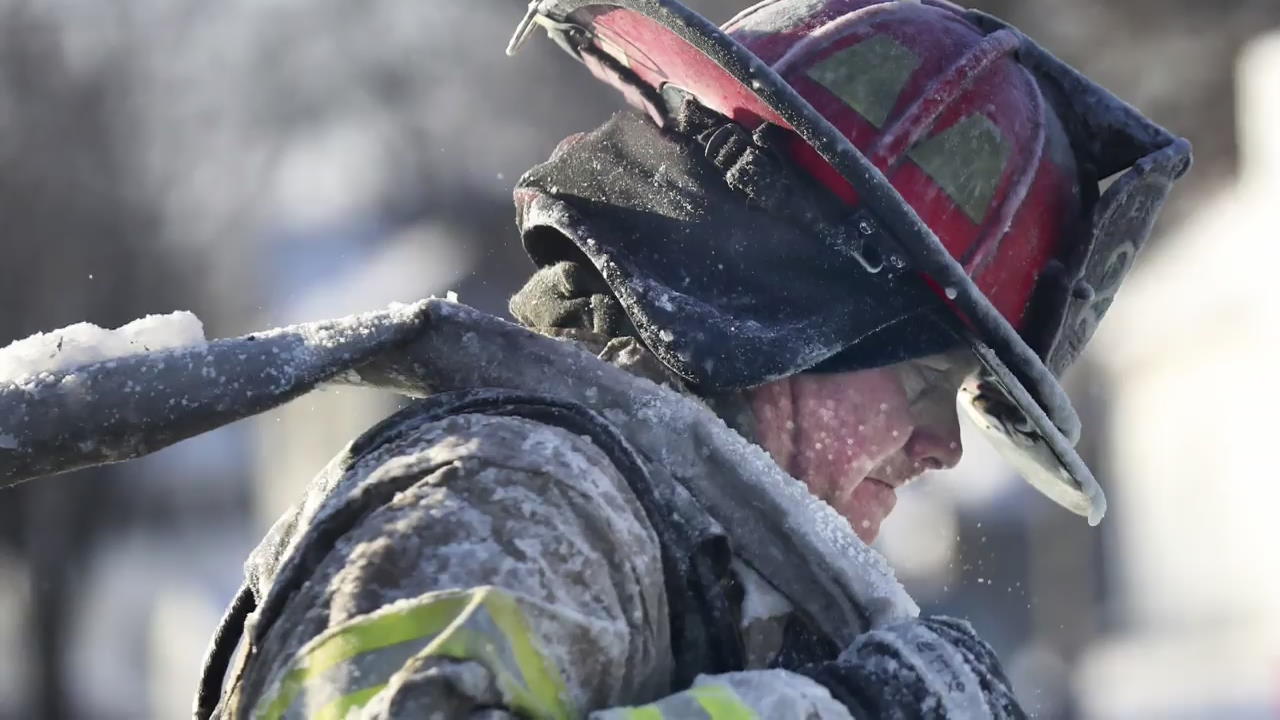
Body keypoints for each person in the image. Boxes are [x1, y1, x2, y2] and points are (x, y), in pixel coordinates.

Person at [0, 0, 1190, 718]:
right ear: (780, 308)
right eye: (925, 383)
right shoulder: (527, 499)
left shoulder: (679, 549)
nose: (940, 447)